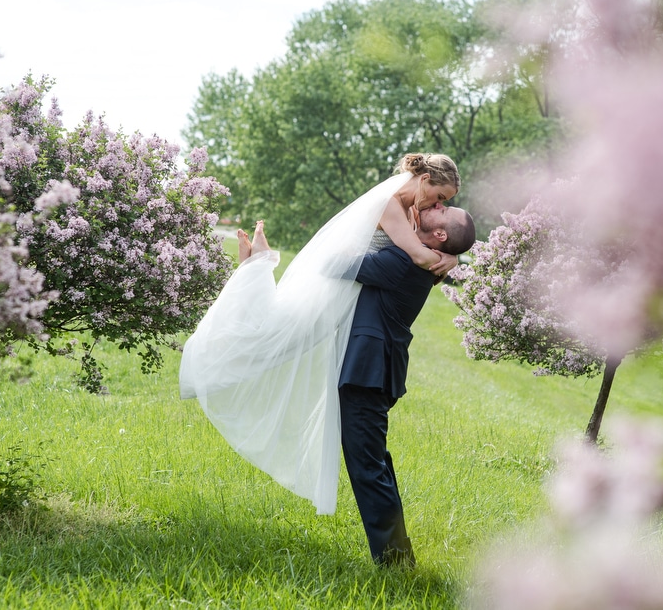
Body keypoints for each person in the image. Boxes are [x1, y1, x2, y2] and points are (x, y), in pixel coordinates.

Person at [179, 154, 464, 515]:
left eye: (445, 203)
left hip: (349, 290)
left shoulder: (411, 212)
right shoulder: (389, 205)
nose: (440, 205)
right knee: (277, 335)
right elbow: (416, 256)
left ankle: (258, 268)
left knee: (283, 333)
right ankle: (252, 278)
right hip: (336, 284)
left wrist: (454, 257)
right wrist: (448, 259)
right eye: (440, 196)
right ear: (424, 178)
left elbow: (435, 244)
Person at [338, 202, 476, 568]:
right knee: (375, 462)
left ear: (441, 235)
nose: (437, 204)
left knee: (368, 466)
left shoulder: (405, 262)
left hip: (367, 372)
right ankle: (399, 556)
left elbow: (337, 264)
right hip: (373, 370)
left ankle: (396, 562)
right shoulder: (420, 259)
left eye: (444, 208)